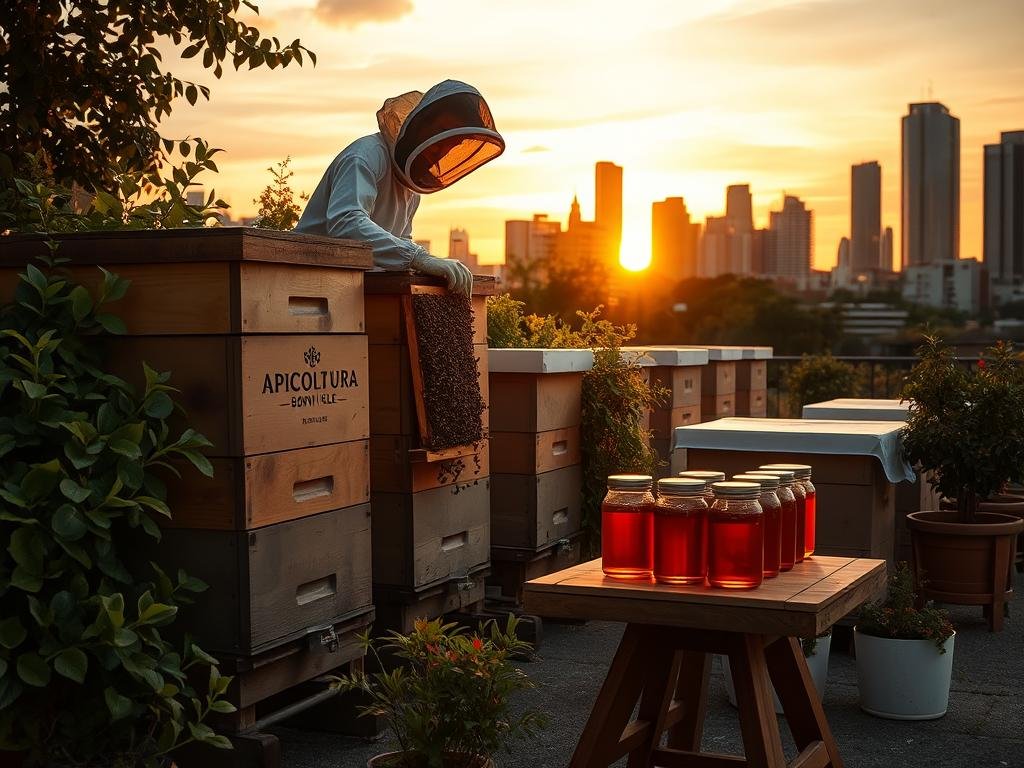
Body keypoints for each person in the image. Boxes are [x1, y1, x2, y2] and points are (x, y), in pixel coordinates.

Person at [295, 80, 504, 297]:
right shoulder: (365, 157)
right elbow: (346, 222)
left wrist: (427, 265)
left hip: (350, 289)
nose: (443, 148)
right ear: (420, 124)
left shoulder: (410, 184)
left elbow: (400, 239)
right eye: (441, 131)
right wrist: (418, 257)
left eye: (453, 143)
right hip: (309, 280)